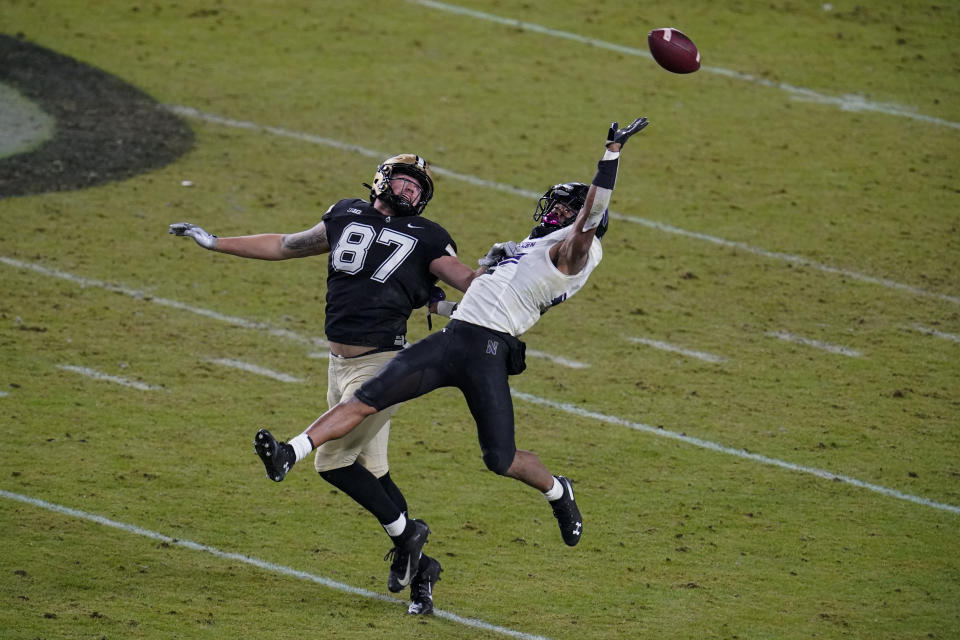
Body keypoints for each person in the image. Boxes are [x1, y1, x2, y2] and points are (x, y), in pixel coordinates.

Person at [252, 116, 649, 562]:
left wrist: (610, 156)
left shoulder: (575, 252)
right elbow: (478, 295)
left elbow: (588, 217)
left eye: (561, 210)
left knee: (500, 459)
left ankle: (558, 490)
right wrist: (434, 301)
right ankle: (291, 451)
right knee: (365, 397)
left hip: (488, 351)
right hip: (454, 338)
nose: (550, 213)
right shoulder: (535, 246)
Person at [169, 153, 497, 615]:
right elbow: (285, 244)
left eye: (416, 189)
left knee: (333, 461)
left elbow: (468, 283)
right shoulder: (345, 213)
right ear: (384, 179)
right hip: (338, 363)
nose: (409, 193)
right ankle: (420, 563)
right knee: (374, 471)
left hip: (384, 363)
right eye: (404, 183)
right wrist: (216, 242)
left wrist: (502, 271)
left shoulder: (429, 237)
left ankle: (389, 523)